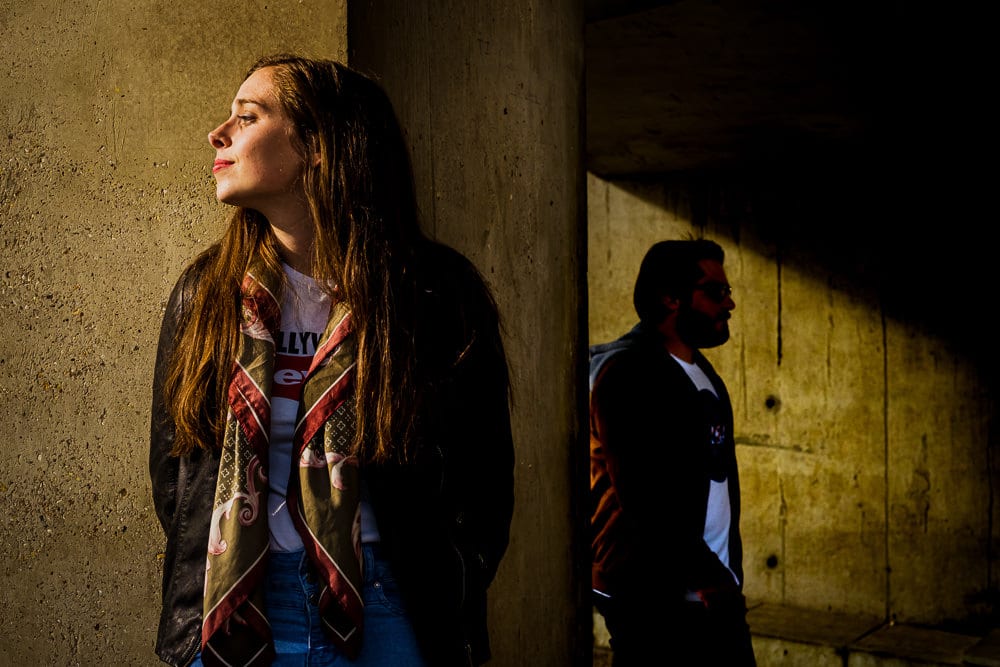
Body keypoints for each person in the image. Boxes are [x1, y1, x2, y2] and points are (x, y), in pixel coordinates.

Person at [149, 54, 515, 667]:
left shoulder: (433, 293)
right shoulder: (205, 293)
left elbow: (482, 473)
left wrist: (452, 582)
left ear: (318, 145)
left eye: (248, 116)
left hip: (392, 613)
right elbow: (175, 471)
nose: (218, 134)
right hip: (240, 613)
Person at [589, 239, 755, 666]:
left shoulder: (701, 371)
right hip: (653, 600)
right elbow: (646, 499)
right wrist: (711, 580)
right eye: (716, 292)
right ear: (670, 298)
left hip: (711, 594)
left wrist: (724, 580)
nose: (730, 302)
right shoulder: (628, 373)